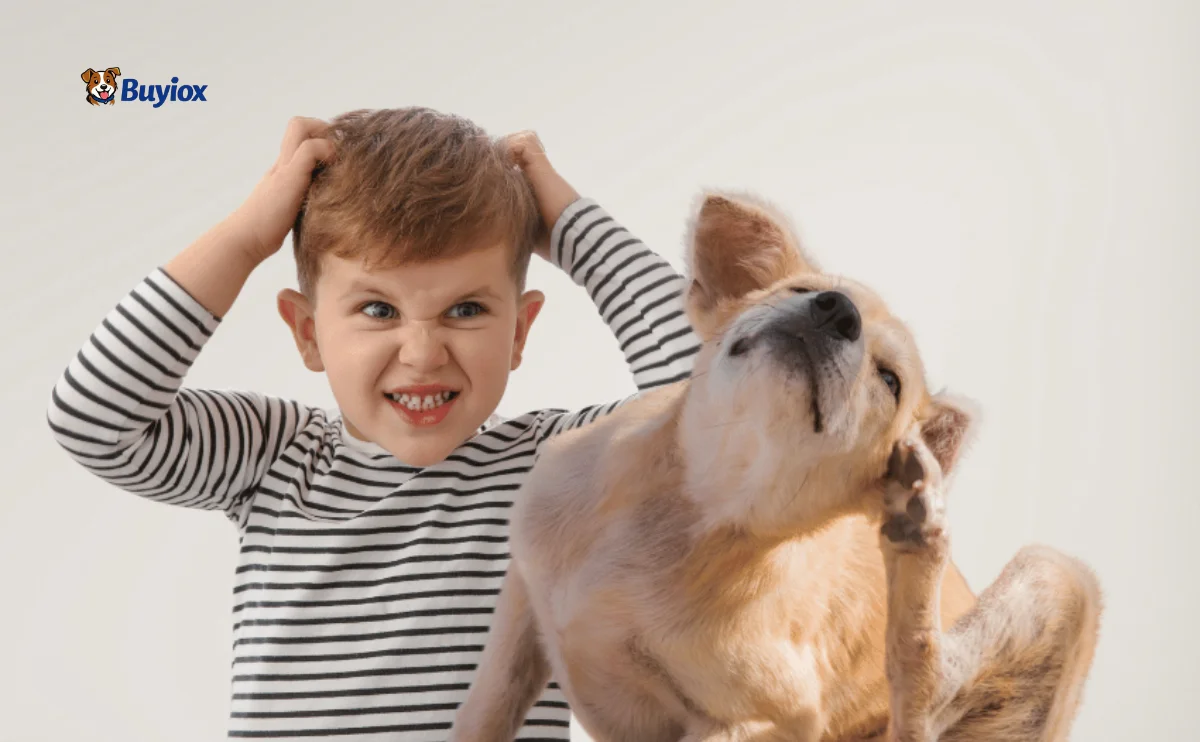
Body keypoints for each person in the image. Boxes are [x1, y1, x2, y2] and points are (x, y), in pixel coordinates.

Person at [46, 107, 701, 739]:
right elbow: (92, 417)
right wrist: (248, 237)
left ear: (520, 332)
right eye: (379, 311)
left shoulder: (554, 469)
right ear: (308, 333)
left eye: (466, 309)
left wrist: (572, 229)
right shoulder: (272, 458)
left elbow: (714, 403)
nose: (422, 353)